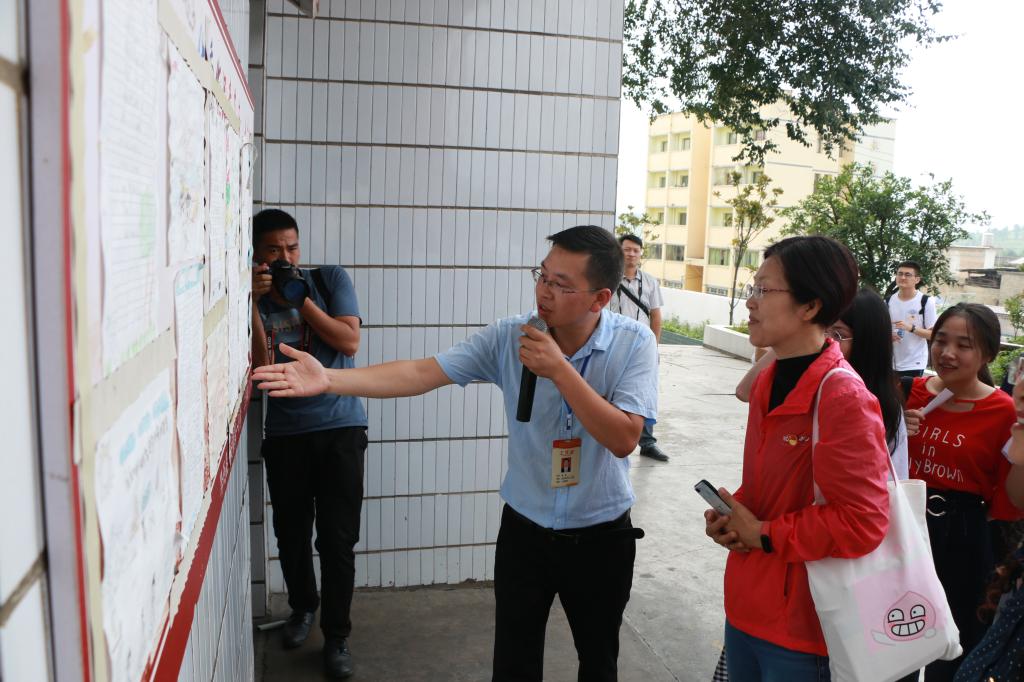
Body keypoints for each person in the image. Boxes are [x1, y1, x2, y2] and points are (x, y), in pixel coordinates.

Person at [253, 225, 658, 681]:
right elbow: (422, 372)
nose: (544, 291)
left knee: (599, 661)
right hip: (526, 534)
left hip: (602, 536)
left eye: (561, 285)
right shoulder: (511, 335)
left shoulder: (634, 343)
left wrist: (560, 370)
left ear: (600, 299)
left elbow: (624, 438)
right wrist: (331, 379)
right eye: (542, 276)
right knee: (514, 663)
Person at [705, 235, 891, 680]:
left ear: (810, 306)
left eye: (764, 290)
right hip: (747, 603)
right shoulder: (769, 380)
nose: (750, 302)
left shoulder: (842, 396)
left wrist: (764, 533)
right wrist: (735, 515)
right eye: (751, 288)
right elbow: (772, 487)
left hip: (801, 627)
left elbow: (864, 522)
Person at [251, 209, 367, 679]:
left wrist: (301, 301)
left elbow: (350, 342)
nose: (286, 258)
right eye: (274, 250)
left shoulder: (328, 279)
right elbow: (259, 370)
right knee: (292, 535)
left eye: (292, 247)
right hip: (285, 434)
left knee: (337, 540)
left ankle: (337, 636)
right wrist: (252, 303)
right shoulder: (255, 296)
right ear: (257, 255)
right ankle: (303, 608)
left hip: (341, 428)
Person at [903, 303, 1017, 681]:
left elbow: (1008, 500)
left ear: (988, 354)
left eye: (963, 345)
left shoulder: (1003, 411)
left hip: (963, 539)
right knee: (894, 641)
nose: (947, 353)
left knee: (951, 649)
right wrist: (894, 430)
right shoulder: (909, 392)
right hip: (903, 531)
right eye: (941, 340)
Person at [736, 288, 909, 479]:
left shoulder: (870, 405)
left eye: (838, 334)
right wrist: (791, 339)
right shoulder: (810, 383)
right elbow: (744, 391)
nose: (826, 341)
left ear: (867, 343)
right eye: (823, 329)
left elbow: (883, 485)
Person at [608, 233, 668, 462]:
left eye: (636, 250)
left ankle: (647, 442)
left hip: (642, 347)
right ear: (619, 251)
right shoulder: (609, 279)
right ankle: (612, 437)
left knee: (644, 392)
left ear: (641, 253)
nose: (631, 254)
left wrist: (654, 347)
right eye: (627, 249)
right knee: (612, 389)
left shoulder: (650, 282)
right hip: (614, 344)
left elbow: (656, 315)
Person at [888, 260, 938, 378]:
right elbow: (880, 329)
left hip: (914, 362)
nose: (903, 277)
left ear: (917, 279)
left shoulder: (926, 302)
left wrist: (911, 328)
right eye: (900, 274)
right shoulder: (888, 301)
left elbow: (933, 335)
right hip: (890, 361)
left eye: (908, 274)